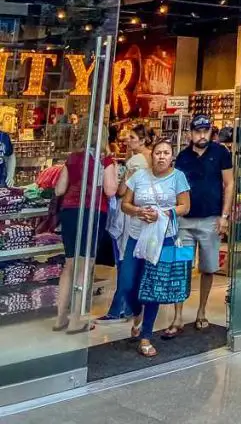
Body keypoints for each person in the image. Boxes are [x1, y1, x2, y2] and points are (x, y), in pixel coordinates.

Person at [120, 138, 191, 358]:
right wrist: (138, 212)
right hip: (136, 236)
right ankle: (137, 312)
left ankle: (146, 336)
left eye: (166, 153)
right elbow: (125, 203)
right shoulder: (140, 176)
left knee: (154, 287)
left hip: (163, 238)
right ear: (152, 155)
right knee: (127, 283)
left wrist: (164, 214)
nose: (161, 156)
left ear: (172, 157)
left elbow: (185, 206)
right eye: (158, 152)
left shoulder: (178, 177)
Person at [163, 114, 234, 336]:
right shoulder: (183, 157)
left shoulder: (221, 153)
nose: (201, 135)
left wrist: (224, 215)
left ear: (210, 131)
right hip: (185, 219)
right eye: (197, 131)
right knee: (181, 267)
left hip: (210, 218)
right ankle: (178, 315)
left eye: (205, 131)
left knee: (208, 267)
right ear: (190, 133)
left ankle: (202, 311)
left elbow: (229, 183)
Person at [53, 136, 118, 332]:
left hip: (70, 211)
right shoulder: (104, 160)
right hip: (93, 211)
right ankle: (76, 320)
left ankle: (60, 318)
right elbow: (110, 189)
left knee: (70, 264)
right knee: (86, 264)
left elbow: (59, 189)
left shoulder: (72, 158)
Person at [97, 123, 155, 322]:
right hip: (145, 214)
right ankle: (132, 306)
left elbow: (122, 191)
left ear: (143, 139)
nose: (126, 140)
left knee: (124, 260)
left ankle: (120, 307)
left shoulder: (136, 161)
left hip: (129, 215)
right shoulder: (152, 158)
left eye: (131, 137)